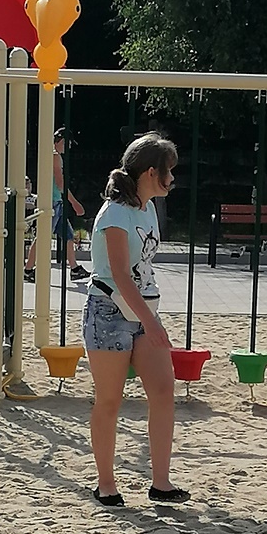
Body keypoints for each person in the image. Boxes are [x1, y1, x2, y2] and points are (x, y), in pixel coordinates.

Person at [83, 132, 188, 507]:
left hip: (143, 310)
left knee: (163, 390)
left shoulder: (147, 209)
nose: (172, 178)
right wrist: (153, 322)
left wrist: (150, 318)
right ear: (149, 173)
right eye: (167, 171)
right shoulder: (114, 213)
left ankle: (161, 483)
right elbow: (120, 274)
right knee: (109, 400)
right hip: (109, 311)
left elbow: (141, 270)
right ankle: (106, 484)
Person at [24, 127, 89, 283]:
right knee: (43, 237)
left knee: (68, 236)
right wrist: (74, 203)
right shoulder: (55, 157)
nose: (69, 146)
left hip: (55, 202)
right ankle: (28, 270)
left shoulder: (52, 155)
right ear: (61, 141)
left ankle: (74, 269)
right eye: (68, 143)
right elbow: (60, 183)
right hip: (52, 203)